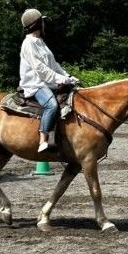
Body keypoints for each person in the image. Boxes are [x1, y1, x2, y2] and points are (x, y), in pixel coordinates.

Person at [18, 8, 79, 153]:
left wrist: (68, 77)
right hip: (36, 84)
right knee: (51, 105)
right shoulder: (29, 44)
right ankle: (43, 140)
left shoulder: (40, 42)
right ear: (38, 23)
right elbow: (41, 70)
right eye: (42, 21)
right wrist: (62, 79)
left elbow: (54, 65)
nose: (45, 24)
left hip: (47, 82)